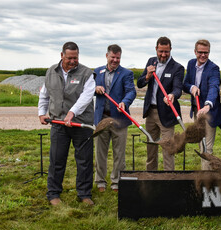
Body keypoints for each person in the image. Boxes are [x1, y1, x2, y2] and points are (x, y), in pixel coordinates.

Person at [38, 42, 96, 206]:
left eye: (75, 58)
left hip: (81, 124)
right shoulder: (51, 72)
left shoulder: (86, 73)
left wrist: (72, 113)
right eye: (69, 57)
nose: (73, 61)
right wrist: (41, 112)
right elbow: (45, 94)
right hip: (58, 123)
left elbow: (86, 97)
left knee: (84, 160)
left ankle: (84, 194)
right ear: (61, 55)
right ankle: (53, 194)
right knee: (56, 159)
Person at [137, 36, 184, 171]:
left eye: (166, 51)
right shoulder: (151, 62)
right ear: (156, 49)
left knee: (168, 149)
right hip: (150, 112)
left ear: (170, 50)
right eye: (161, 51)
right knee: (151, 147)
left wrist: (172, 95)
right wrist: (147, 76)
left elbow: (177, 88)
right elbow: (140, 83)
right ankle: (152, 176)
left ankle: (168, 178)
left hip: (166, 113)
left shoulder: (177, 68)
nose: (163, 55)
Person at [93, 44, 136, 192]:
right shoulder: (97, 72)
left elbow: (131, 91)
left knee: (119, 153)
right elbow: (88, 90)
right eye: (113, 57)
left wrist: (125, 102)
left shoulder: (126, 73)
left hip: (119, 118)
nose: (115, 60)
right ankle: (100, 181)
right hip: (101, 118)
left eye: (118, 58)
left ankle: (116, 182)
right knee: (100, 152)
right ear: (107, 56)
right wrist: (95, 89)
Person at [182, 39, 221, 170]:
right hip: (197, 111)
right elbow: (185, 84)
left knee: (207, 147)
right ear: (195, 52)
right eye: (200, 52)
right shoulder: (190, 64)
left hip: (209, 113)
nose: (203, 55)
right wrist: (192, 87)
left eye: (206, 53)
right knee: (201, 144)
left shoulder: (213, 68)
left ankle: (207, 180)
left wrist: (208, 105)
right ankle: (207, 173)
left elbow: (214, 87)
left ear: (209, 52)